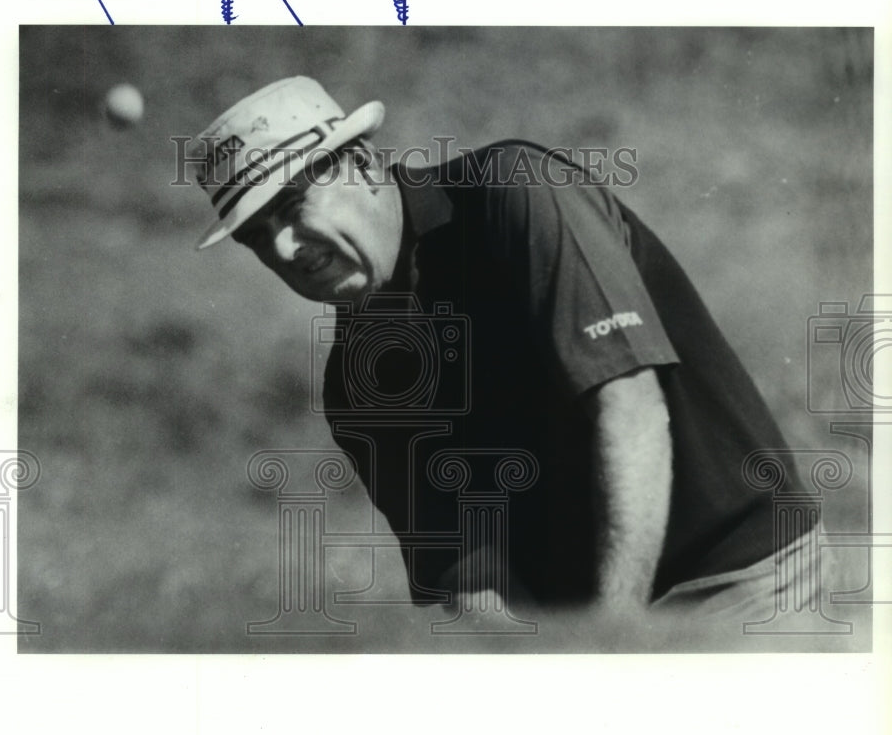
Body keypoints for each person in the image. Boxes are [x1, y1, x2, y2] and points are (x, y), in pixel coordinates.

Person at [186, 76, 815, 621]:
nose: (286, 250)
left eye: (295, 205)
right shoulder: (355, 383)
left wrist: (608, 648)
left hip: (740, 581)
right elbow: (471, 581)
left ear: (362, 163)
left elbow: (631, 408)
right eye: (258, 237)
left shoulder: (515, 194)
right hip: (586, 634)